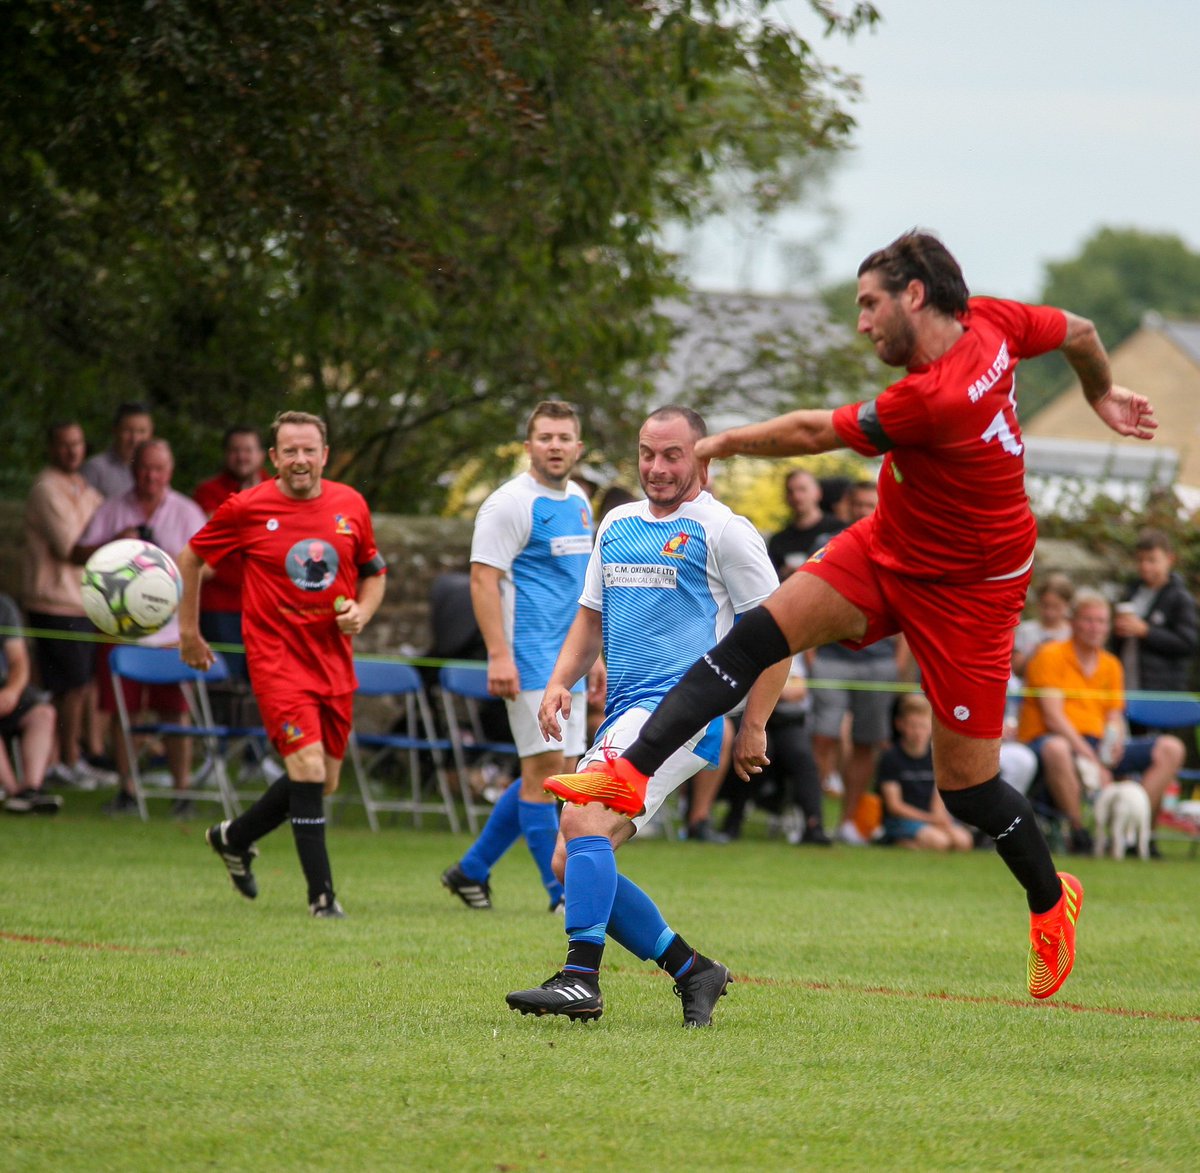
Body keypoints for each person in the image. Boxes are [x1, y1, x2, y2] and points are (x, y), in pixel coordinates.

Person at [544, 231, 1162, 1001]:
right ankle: (629, 773)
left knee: (967, 788)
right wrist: (1101, 391)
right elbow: (1081, 332)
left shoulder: (934, 397)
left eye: (870, 304)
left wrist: (721, 443)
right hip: (887, 548)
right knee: (756, 634)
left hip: (971, 593)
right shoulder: (996, 319)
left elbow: (812, 433)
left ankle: (1049, 900)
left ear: (914, 295)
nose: (862, 321)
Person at [505, 406, 788, 1026]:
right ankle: (694, 970)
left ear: (702, 459)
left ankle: (581, 977)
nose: (656, 468)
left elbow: (780, 633)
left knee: (582, 814)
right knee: (573, 857)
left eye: (672, 455)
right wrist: (559, 681)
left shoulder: (726, 531)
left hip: (682, 712)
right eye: (647, 454)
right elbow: (590, 616)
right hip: (624, 714)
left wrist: (755, 722)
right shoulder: (616, 522)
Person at [179, 410, 387, 918]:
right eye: (289, 450)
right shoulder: (246, 507)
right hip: (275, 661)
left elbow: (374, 572)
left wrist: (362, 611)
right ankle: (322, 898)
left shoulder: (350, 504)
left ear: (324, 455)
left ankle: (235, 837)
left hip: (333, 663)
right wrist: (188, 631)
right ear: (273, 457)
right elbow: (191, 558)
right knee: (307, 769)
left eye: (308, 450)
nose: (299, 459)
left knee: (322, 782)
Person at [440, 401, 596, 913]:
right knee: (546, 774)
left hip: (569, 663)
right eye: (545, 437)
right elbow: (482, 580)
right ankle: (561, 894)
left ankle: (471, 870)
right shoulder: (509, 503)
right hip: (529, 659)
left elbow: (582, 586)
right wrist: (498, 655)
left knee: (559, 773)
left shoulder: (579, 500)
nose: (555, 446)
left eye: (564, 437)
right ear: (529, 446)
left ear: (578, 447)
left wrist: (592, 655)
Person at [74, 438, 209, 816]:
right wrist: (114, 544)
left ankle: (182, 793)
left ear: (170, 471)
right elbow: (76, 552)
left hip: (170, 632)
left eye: (159, 469)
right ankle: (128, 790)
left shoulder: (187, 511)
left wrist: (164, 566)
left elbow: (211, 566)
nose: (151, 476)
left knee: (175, 713)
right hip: (121, 629)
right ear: (133, 470)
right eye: (145, 468)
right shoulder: (113, 509)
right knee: (124, 713)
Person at [1018, 589, 1185, 855]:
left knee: (1171, 748)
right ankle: (1079, 833)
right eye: (1088, 620)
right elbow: (1054, 717)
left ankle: (1131, 833)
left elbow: (1114, 716)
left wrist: (1113, 744)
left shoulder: (1111, 664)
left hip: (1097, 742)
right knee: (1057, 748)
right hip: (1051, 739)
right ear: (1073, 622)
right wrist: (1091, 757)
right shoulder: (1049, 655)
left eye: (1101, 621)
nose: (1095, 627)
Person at [807, 477, 906, 845]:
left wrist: (898, 662)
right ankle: (814, 819)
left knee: (867, 742)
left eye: (870, 505)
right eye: (858, 504)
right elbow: (806, 598)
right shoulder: (827, 542)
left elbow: (908, 604)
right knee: (823, 737)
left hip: (878, 661)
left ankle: (848, 822)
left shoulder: (899, 544)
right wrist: (811, 655)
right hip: (831, 657)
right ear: (846, 507)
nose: (864, 511)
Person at [22, 420, 108, 789]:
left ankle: (71, 756)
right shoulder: (47, 489)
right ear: (51, 448)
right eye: (63, 444)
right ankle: (63, 761)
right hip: (53, 602)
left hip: (83, 601)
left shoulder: (86, 489)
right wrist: (119, 543)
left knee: (82, 685)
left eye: (77, 443)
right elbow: (69, 549)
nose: (72, 451)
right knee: (67, 686)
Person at [193, 425, 270, 682]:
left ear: (262, 455)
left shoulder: (280, 490)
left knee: (266, 684)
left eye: (248, 450)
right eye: (235, 450)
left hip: (267, 608)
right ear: (226, 455)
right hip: (220, 605)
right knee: (223, 684)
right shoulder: (207, 492)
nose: (241, 456)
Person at [1110, 528, 1197, 707]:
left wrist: (1146, 631)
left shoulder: (1180, 598)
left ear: (1169, 559)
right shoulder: (1130, 592)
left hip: (1161, 692)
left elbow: (1188, 643)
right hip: (1127, 685)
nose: (1145, 566)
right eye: (1140, 560)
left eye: (1152, 560)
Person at [878, 694, 973, 851]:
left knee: (963, 841)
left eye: (922, 726)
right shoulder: (891, 758)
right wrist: (930, 819)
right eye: (912, 726)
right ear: (900, 725)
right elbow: (894, 806)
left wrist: (940, 819)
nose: (918, 732)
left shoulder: (936, 756)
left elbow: (938, 796)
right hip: (903, 819)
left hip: (930, 817)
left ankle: (919, 842)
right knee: (939, 842)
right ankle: (897, 842)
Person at [0, 593, 61, 815]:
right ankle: (13, 791)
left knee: (42, 713)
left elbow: (19, 660)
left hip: (3, 687)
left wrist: (12, 692)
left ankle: (31, 789)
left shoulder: (3, 606)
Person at [766, 468, 839, 581]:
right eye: (790, 491)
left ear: (817, 492)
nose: (797, 496)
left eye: (802, 489)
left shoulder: (839, 531)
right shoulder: (778, 541)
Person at [82, 402, 154, 499]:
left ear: (151, 434)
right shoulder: (95, 469)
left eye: (141, 431)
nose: (135, 439)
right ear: (115, 431)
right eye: (128, 430)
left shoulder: (156, 472)